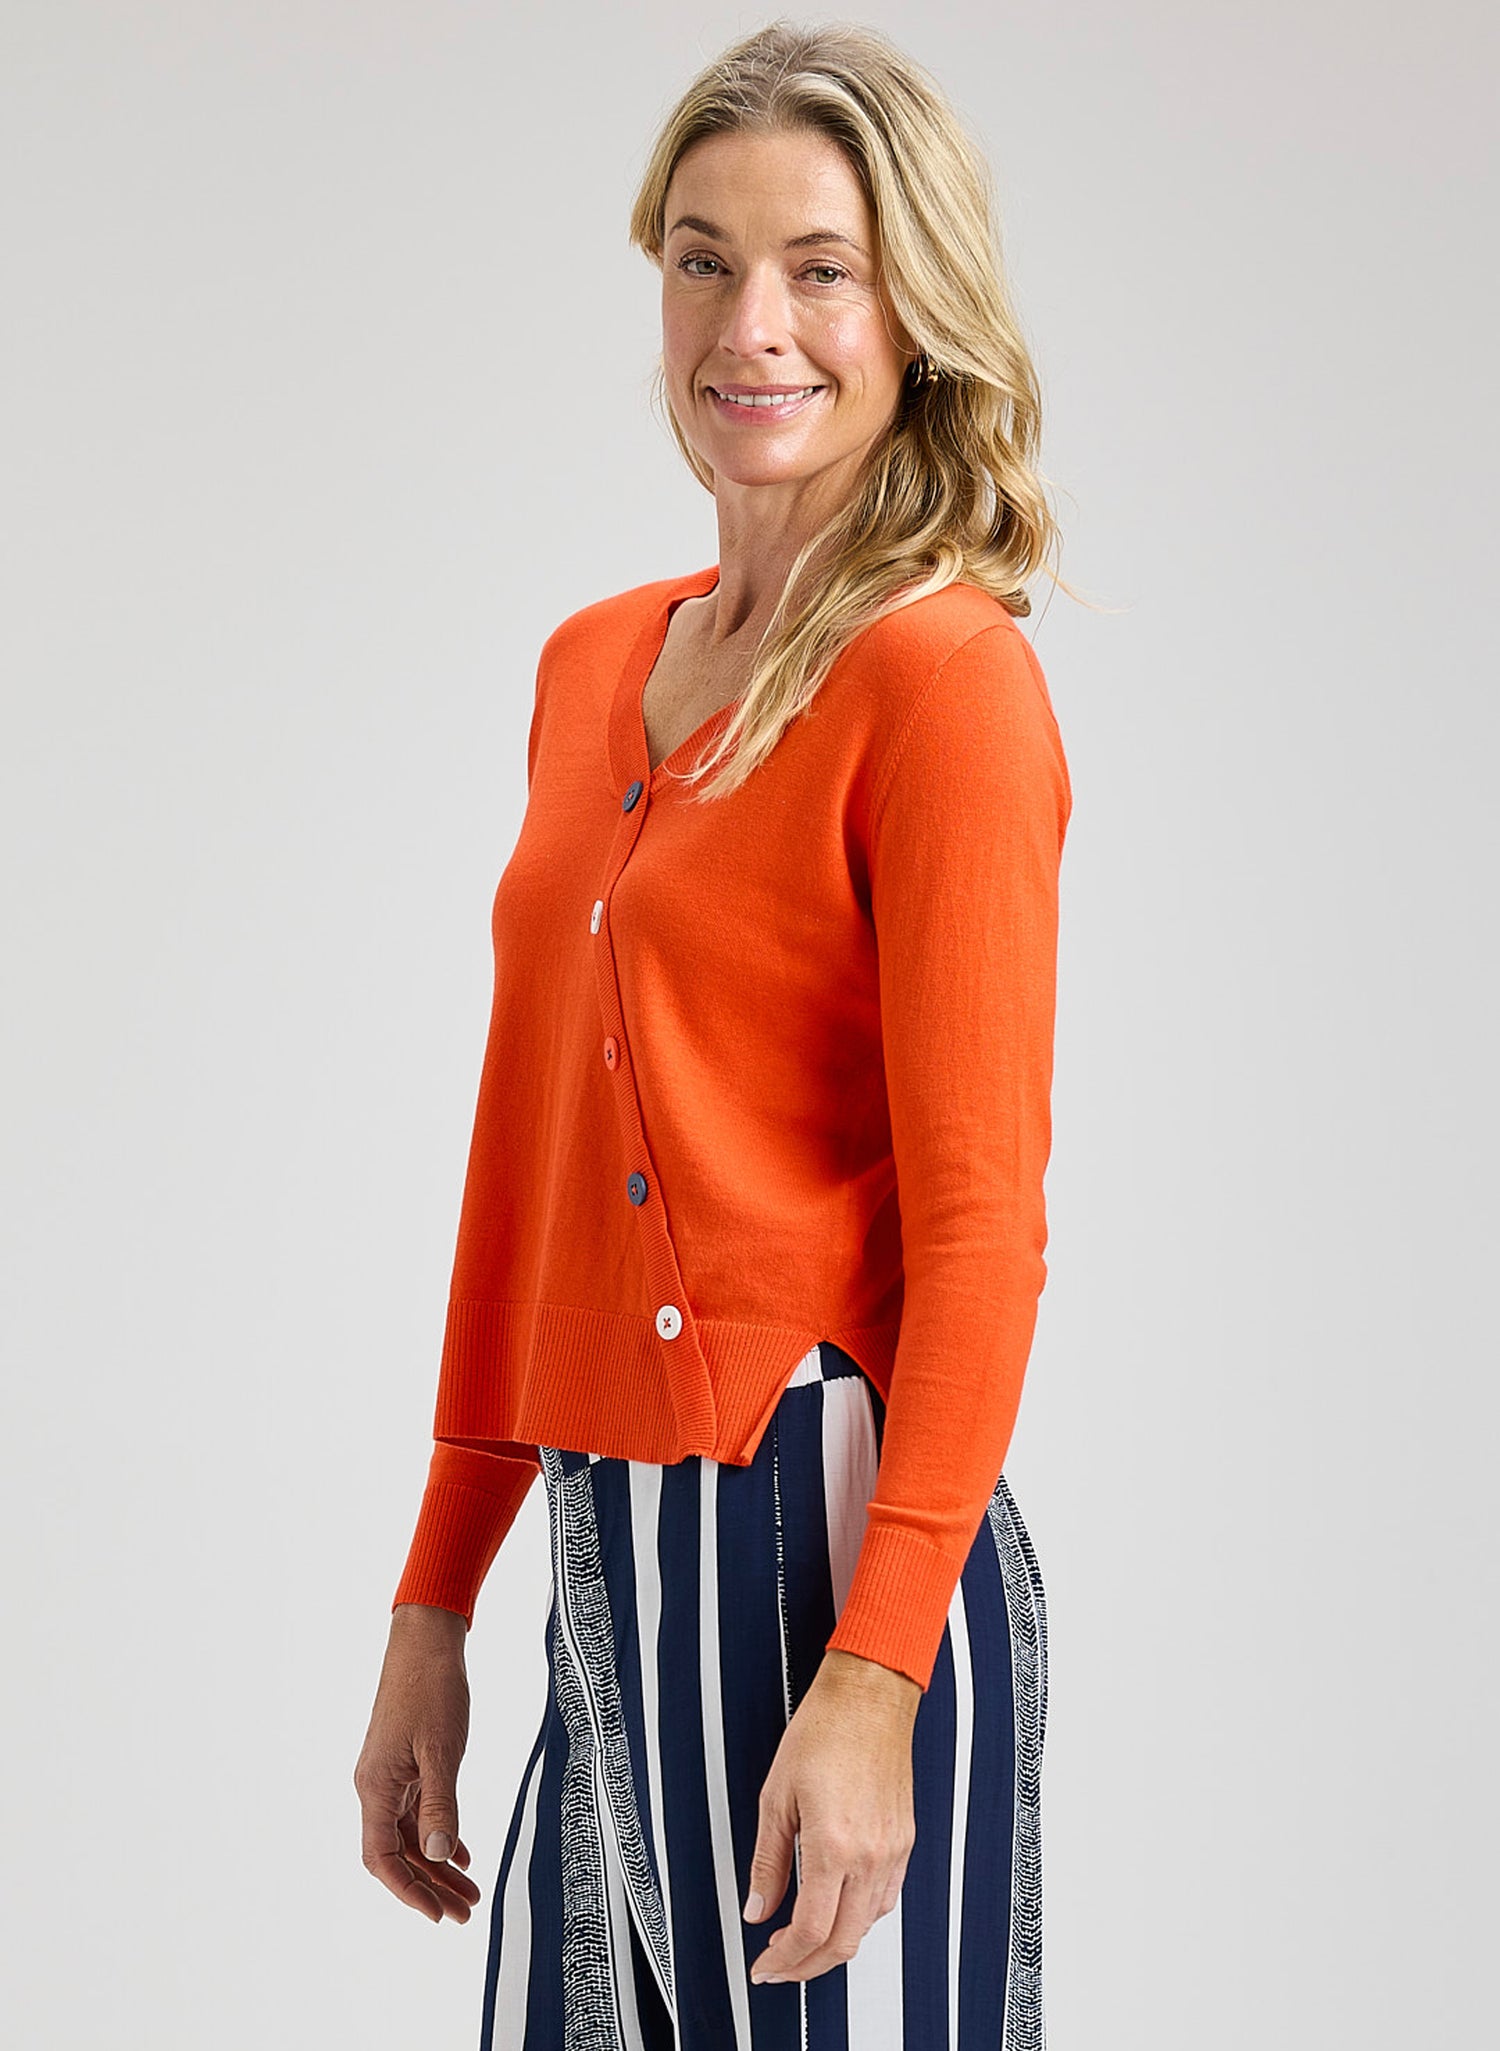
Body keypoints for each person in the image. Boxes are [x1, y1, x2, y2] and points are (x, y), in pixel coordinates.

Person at [354, 19, 1078, 2047]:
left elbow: (980, 1232)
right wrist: (437, 1594)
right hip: (604, 1557)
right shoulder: (595, 662)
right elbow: (527, 1171)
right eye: (702, 260)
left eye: (819, 269)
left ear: (914, 309)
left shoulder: (945, 685)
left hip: (821, 1544)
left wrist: (880, 1670)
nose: (751, 325)